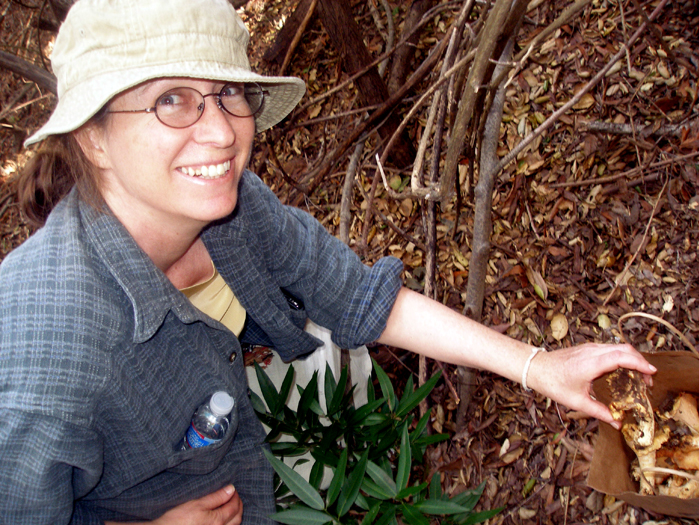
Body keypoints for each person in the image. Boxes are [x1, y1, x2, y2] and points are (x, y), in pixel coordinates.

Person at [0, 0, 656, 523]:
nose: (222, 131)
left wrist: (540, 366)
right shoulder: (45, 351)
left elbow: (361, 299)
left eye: (228, 91)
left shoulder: (232, 207)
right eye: (171, 99)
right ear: (92, 137)